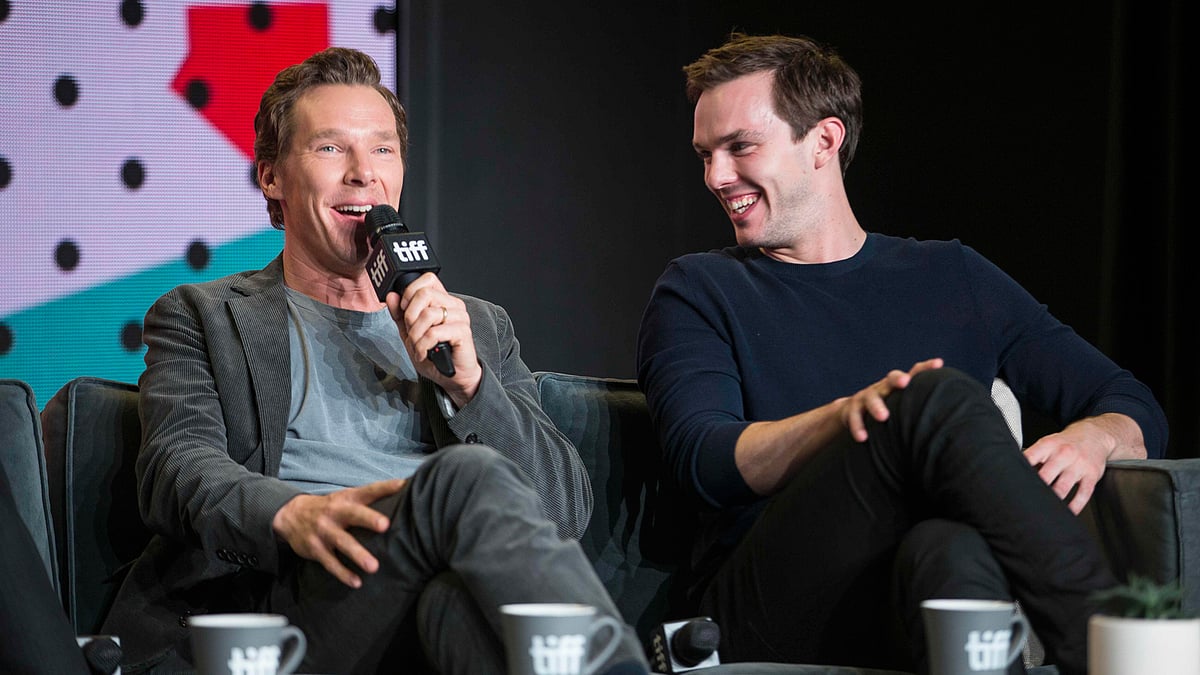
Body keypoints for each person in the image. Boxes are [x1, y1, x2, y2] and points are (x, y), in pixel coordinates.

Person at [101, 47, 648, 675]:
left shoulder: (477, 327)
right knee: (463, 478)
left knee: (454, 611)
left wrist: (470, 387)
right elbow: (176, 468)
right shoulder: (203, 315)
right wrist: (290, 512)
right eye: (331, 148)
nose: (363, 173)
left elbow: (561, 511)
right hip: (282, 596)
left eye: (382, 149)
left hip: (421, 599)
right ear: (272, 177)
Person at [636, 33, 1168, 675]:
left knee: (952, 552)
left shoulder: (953, 277)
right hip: (767, 610)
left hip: (910, 598)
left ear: (824, 141)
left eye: (740, 147)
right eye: (705, 154)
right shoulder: (699, 289)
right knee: (926, 401)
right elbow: (703, 459)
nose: (716, 177)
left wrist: (1096, 436)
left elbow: (1130, 402)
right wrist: (850, 419)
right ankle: (1117, 652)